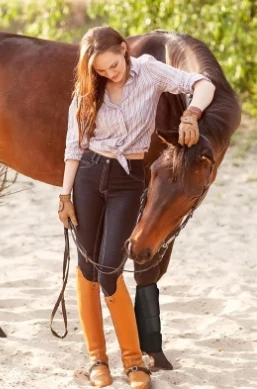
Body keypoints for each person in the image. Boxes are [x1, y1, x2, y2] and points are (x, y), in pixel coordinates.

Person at [58, 26, 215, 388]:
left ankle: (133, 361)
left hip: (128, 181)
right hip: (88, 176)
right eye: (100, 70)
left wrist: (191, 114)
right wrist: (64, 196)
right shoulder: (88, 89)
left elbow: (202, 83)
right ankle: (98, 358)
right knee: (87, 268)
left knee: (111, 267)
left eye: (113, 65)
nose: (109, 74)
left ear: (124, 50)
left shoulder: (149, 71)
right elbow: (73, 146)